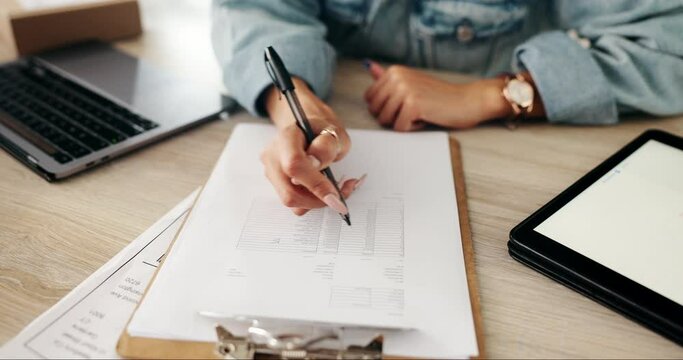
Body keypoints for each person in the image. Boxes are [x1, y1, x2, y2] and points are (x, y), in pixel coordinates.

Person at [211, 0, 683, 216]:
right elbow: (254, 9)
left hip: (524, 157)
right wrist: (295, 101)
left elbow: (667, 46)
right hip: (354, 104)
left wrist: (495, 95)